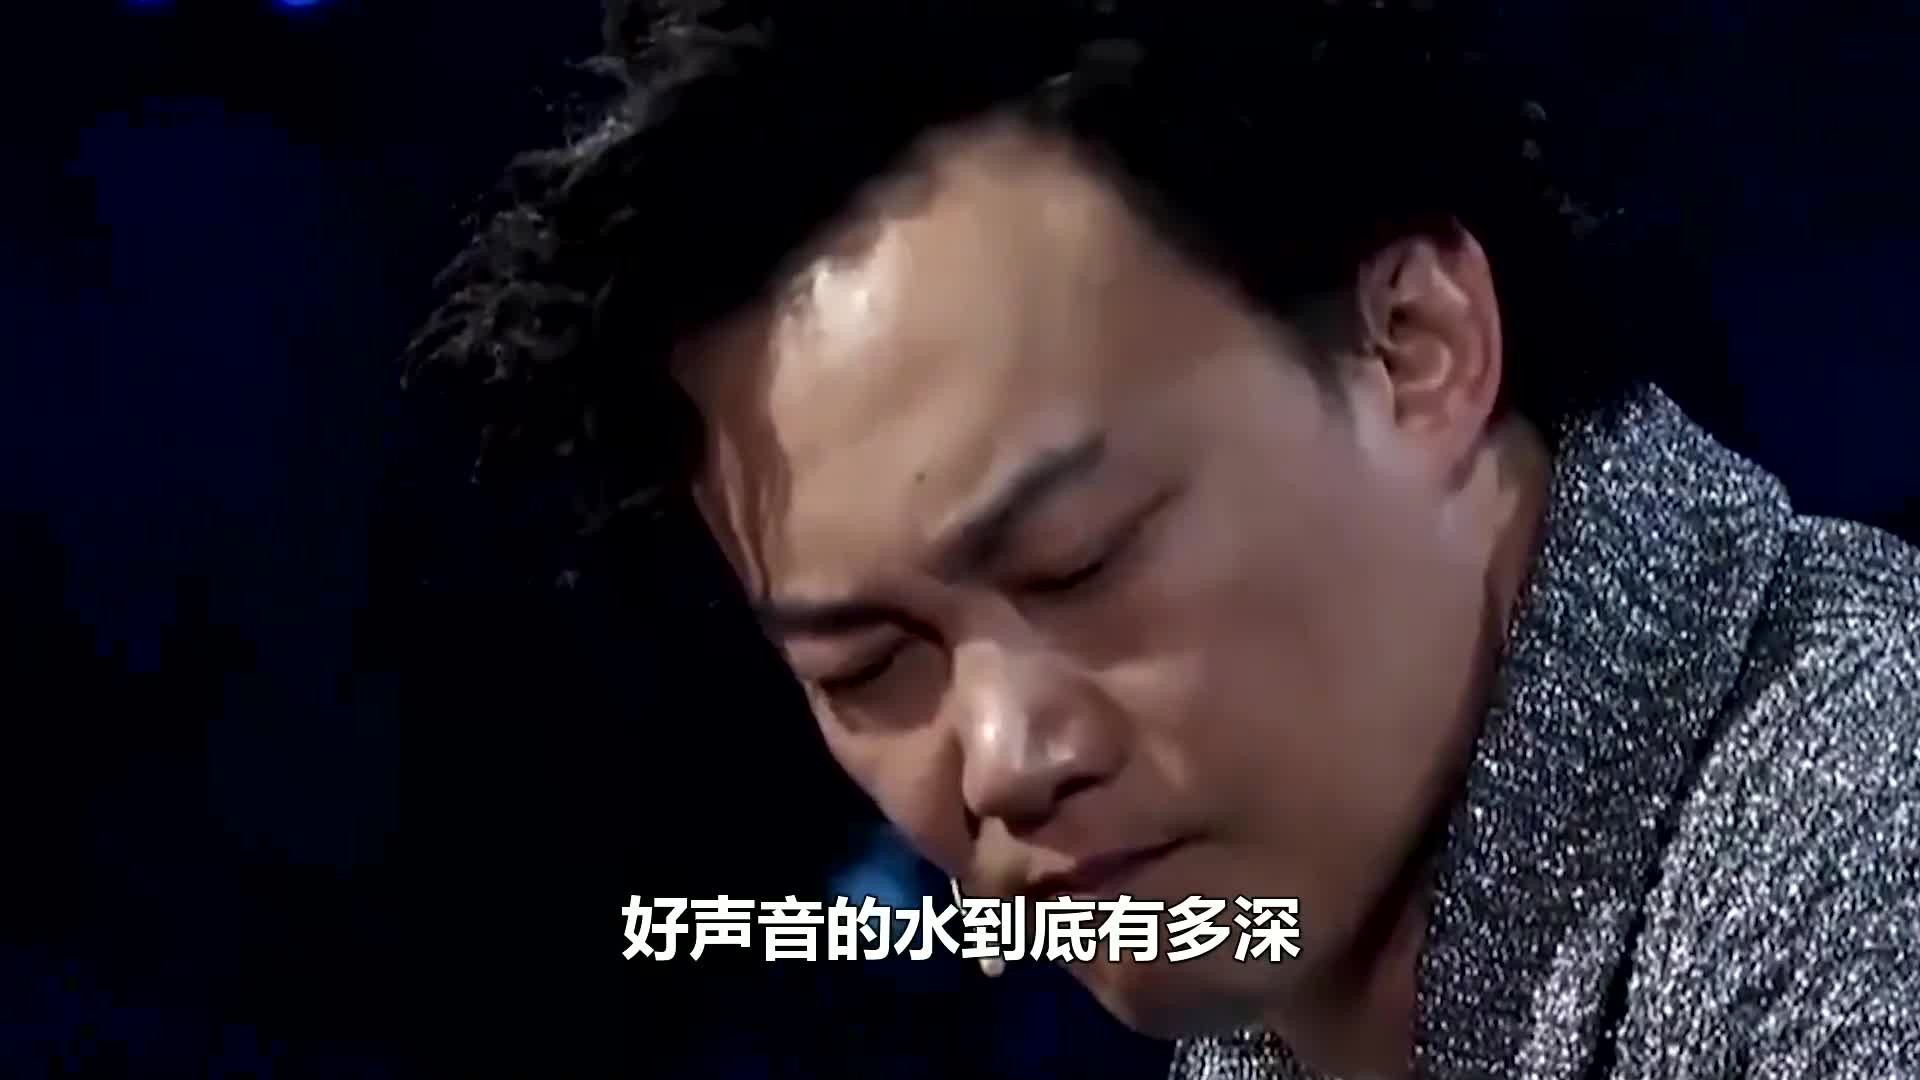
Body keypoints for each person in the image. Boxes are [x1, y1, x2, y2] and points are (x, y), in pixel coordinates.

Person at [402, 1, 1920, 1076]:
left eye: (1081, 559)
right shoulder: (1279, 989)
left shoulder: (1865, 863)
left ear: (1416, 346)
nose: (1004, 758)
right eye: (867, 666)